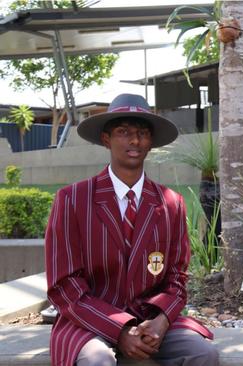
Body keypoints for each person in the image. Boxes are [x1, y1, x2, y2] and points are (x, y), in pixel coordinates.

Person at [45, 94, 219, 366]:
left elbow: (176, 278)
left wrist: (161, 321)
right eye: (123, 132)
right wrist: (120, 328)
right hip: (87, 321)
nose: (134, 140)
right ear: (106, 139)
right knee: (96, 361)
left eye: (142, 133)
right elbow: (65, 286)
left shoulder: (171, 203)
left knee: (203, 353)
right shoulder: (72, 200)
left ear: (151, 142)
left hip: (151, 321)